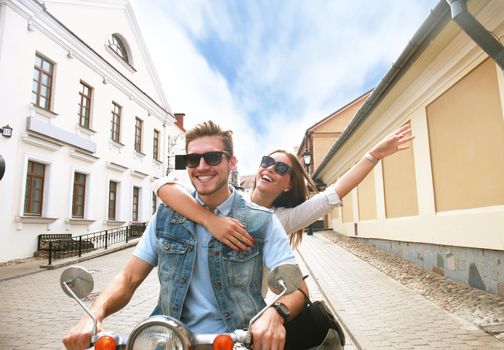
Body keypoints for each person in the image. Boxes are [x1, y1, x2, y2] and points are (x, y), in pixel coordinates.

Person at [62, 120, 308, 350]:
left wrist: (275, 314)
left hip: (239, 341)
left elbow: (297, 289)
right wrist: (93, 314)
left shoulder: (261, 221)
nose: (202, 167)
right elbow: (129, 278)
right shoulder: (166, 217)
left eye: (212, 158)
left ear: (231, 163)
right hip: (167, 338)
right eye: (193, 159)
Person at [155, 123, 414, 249]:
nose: (270, 168)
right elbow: (164, 186)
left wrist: (373, 156)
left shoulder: (282, 220)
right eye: (267, 161)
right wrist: (210, 220)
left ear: (289, 184)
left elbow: (333, 193)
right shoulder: (227, 196)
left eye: (281, 168)